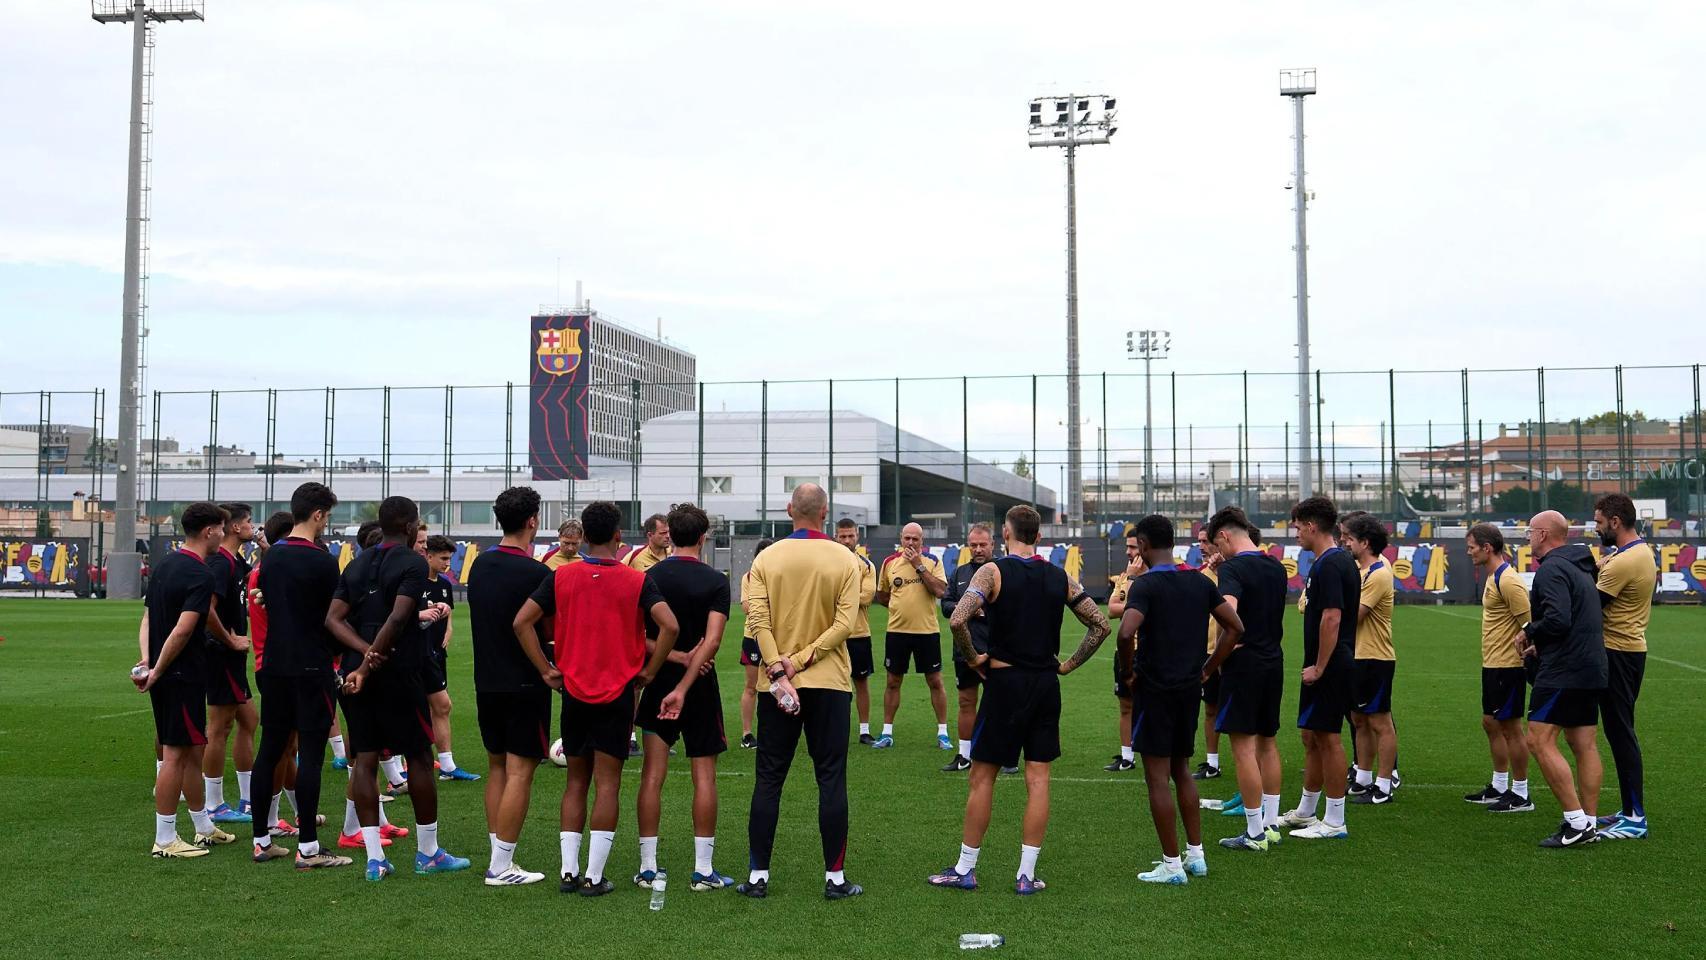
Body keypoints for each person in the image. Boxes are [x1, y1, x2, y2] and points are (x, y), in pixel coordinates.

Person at [927, 505, 1111, 895]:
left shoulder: (992, 572)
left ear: (1005, 535)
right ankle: (1026, 875)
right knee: (1038, 780)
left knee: (982, 777)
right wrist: (1068, 665)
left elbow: (958, 619)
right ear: (1039, 537)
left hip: (1005, 684)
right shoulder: (1060, 576)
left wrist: (973, 657)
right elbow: (1100, 624)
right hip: (1045, 685)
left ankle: (965, 869)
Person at [513, 501, 677, 896]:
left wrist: (545, 669)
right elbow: (670, 626)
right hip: (617, 693)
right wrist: (650, 671)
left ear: (584, 535)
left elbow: (521, 622)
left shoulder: (562, 576)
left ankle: (568, 873)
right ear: (618, 536)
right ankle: (594, 876)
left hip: (574, 691)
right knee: (607, 784)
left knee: (575, 782)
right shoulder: (636, 580)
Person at [333, 496, 473, 881]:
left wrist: (362, 657)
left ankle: (375, 858)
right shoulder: (412, 562)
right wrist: (370, 661)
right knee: (419, 757)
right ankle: (428, 853)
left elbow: (333, 619)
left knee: (364, 759)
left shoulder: (357, 562)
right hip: (396, 671)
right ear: (410, 527)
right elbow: (397, 618)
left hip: (355, 672)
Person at [738, 483, 863, 900]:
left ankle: (758, 877)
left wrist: (779, 666)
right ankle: (835, 879)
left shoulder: (766, 557)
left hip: (776, 686)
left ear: (789, 509)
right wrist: (801, 660)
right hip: (828, 683)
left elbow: (758, 620)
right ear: (825, 512)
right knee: (831, 778)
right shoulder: (844, 558)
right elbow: (845, 624)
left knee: (769, 779)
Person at [1116, 515, 1245, 885]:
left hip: (1155, 689)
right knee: (1181, 770)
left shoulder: (1145, 584)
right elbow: (1235, 627)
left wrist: (1129, 672)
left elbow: (1125, 632)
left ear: (1142, 546)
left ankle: (1172, 865)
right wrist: (1208, 668)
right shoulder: (1199, 581)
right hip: (1189, 688)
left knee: (1157, 777)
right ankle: (1196, 855)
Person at [246, 483, 354, 869]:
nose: (327, 523)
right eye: (328, 516)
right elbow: (332, 618)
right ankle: (308, 847)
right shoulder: (323, 561)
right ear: (318, 514)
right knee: (310, 754)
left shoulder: (272, 557)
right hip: (311, 665)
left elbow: (268, 602)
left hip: (274, 665)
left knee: (270, 749)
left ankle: (261, 840)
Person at [632, 503, 738, 891]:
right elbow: (713, 641)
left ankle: (648, 868)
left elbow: (638, 637)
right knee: (704, 776)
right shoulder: (715, 580)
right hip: (699, 685)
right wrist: (688, 670)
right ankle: (703, 871)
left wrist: (672, 660)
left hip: (658, 680)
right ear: (703, 537)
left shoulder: (649, 577)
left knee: (652, 775)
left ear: (670, 536)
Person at [466, 486, 555, 885]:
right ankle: (501, 866)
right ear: (532, 520)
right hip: (524, 682)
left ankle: (498, 855)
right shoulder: (537, 573)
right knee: (520, 771)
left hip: (487, 681)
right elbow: (546, 631)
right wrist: (547, 669)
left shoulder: (480, 566)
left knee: (498, 767)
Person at [135, 501, 233, 858]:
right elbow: (183, 629)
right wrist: (159, 669)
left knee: (193, 750)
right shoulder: (201, 574)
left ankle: (203, 826)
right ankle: (165, 839)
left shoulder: (165, 564)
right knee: (175, 754)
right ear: (209, 531)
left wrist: (148, 661)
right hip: (180, 674)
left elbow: (147, 619)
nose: (223, 534)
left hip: (167, 671)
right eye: (221, 528)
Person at [1519, 510, 1608, 848]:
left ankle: (1577, 822)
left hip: (1564, 670)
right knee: (1583, 744)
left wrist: (1529, 631)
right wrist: (1540, 643)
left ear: (1543, 534)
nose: (1528, 537)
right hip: (1590, 665)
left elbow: (1558, 619)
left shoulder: (1552, 568)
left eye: (1530, 531)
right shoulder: (1580, 566)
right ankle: (1589, 821)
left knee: (1538, 740)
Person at [1204, 507, 1288, 851]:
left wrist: (1213, 662)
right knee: (1268, 743)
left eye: (1216, 545)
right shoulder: (1276, 566)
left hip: (1244, 663)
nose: (1217, 552)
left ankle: (1254, 833)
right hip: (1273, 661)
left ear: (1224, 536)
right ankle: (1271, 824)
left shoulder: (1233, 568)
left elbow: (1230, 618)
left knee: (1243, 748)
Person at [1280, 496, 1353, 840]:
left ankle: (1335, 821)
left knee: (1328, 737)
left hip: (1331, 665)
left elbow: (1332, 617)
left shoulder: (1332, 563)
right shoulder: (1326, 562)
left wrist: (1320, 667)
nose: (1296, 533)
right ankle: (1306, 812)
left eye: (1297, 526)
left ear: (1311, 526)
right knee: (1311, 735)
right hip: (1321, 663)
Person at [1592, 493, 1655, 839]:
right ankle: (1629, 810)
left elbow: (1590, 606)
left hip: (1618, 652)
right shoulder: (1636, 553)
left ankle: (1635, 818)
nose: (1596, 528)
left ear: (1615, 522)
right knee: (1619, 732)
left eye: (1600, 522)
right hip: (1626, 651)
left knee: (1621, 734)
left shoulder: (1623, 561)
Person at [1464, 523, 1534, 813]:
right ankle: (1500, 785)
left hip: (1508, 666)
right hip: (1493, 663)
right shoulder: (1494, 577)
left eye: (1471, 547)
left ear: (1487, 547)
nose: (1469, 552)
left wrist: (1528, 655)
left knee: (1511, 729)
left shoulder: (1509, 580)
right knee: (1490, 723)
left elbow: (1529, 624)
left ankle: (1521, 793)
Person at [201, 502, 259, 828]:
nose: (253, 526)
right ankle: (213, 804)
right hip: (220, 653)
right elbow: (206, 609)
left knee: (249, 719)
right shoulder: (220, 563)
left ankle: (248, 798)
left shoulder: (235, 561)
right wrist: (229, 640)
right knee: (219, 727)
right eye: (249, 521)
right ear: (236, 527)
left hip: (232, 655)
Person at [873, 521, 951, 750]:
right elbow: (882, 595)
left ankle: (943, 733)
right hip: (897, 632)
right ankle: (886, 733)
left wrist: (918, 565)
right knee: (892, 681)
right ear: (901, 539)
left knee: (935, 681)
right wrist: (900, 609)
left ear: (921, 541)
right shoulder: (889, 562)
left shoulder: (932, 561)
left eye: (915, 539)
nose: (910, 543)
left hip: (927, 632)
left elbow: (940, 591)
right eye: (907, 538)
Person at [1343, 513, 1397, 805]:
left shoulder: (1378, 574)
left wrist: (1327, 607)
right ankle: (1363, 778)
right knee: (1359, 719)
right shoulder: (1360, 571)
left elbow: (1355, 615)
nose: (1345, 543)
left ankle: (1385, 783)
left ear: (1365, 543)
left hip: (1375, 656)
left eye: (1350, 538)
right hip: (1357, 655)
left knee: (1380, 721)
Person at [418, 534, 477, 782]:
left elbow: (448, 609)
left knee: (438, 707)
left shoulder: (443, 583)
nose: (447, 563)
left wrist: (449, 626)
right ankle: (407, 764)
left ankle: (444, 765)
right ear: (428, 555)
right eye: (443, 558)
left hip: (436, 652)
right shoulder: (415, 582)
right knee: (435, 706)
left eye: (449, 559)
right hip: (418, 654)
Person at [938, 523, 995, 772]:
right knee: (965, 702)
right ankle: (965, 756)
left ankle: (1003, 756)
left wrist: (983, 609)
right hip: (964, 651)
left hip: (995, 651)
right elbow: (946, 605)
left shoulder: (1001, 572)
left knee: (999, 704)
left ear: (993, 544)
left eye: (983, 544)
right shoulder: (960, 573)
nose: (978, 549)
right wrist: (967, 607)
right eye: (974, 545)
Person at [834, 519, 880, 744]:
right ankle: (834, 728)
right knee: (832, 684)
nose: (846, 540)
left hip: (858, 633)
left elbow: (867, 597)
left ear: (857, 537)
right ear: (836, 537)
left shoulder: (867, 566)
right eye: (842, 536)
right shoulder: (828, 563)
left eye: (850, 536)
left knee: (861, 682)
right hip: (831, 634)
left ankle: (864, 730)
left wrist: (837, 598)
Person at [1103, 530, 1144, 773]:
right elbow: (1111, 609)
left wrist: (1128, 602)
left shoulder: (1155, 577)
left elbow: (1123, 607)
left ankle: (1156, 754)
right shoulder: (1125, 577)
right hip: (1125, 650)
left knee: (1152, 705)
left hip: (1149, 652)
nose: (1129, 552)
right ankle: (1127, 757)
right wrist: (1131, 581)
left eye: (1133, 547)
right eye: (1127, 547)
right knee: (1125, 706)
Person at [1191, 527, 1226, 782]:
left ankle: (1251, 761)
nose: (1201, 546)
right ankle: (1212, 763)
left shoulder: (1232, 571)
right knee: (1210, 708)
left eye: (1205, 541)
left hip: (1233, 653)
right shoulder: (1201, 575)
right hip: (1208, 652)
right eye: (1199, 542)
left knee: (1238, 712)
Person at [737, 538, 775, 749]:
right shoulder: (749, 577)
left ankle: (772, 732)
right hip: (753, 636)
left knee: (775, 686)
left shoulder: (781, 576)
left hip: (777, 637)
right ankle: (747, 733)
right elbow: (746, 607)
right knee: (752, 686)